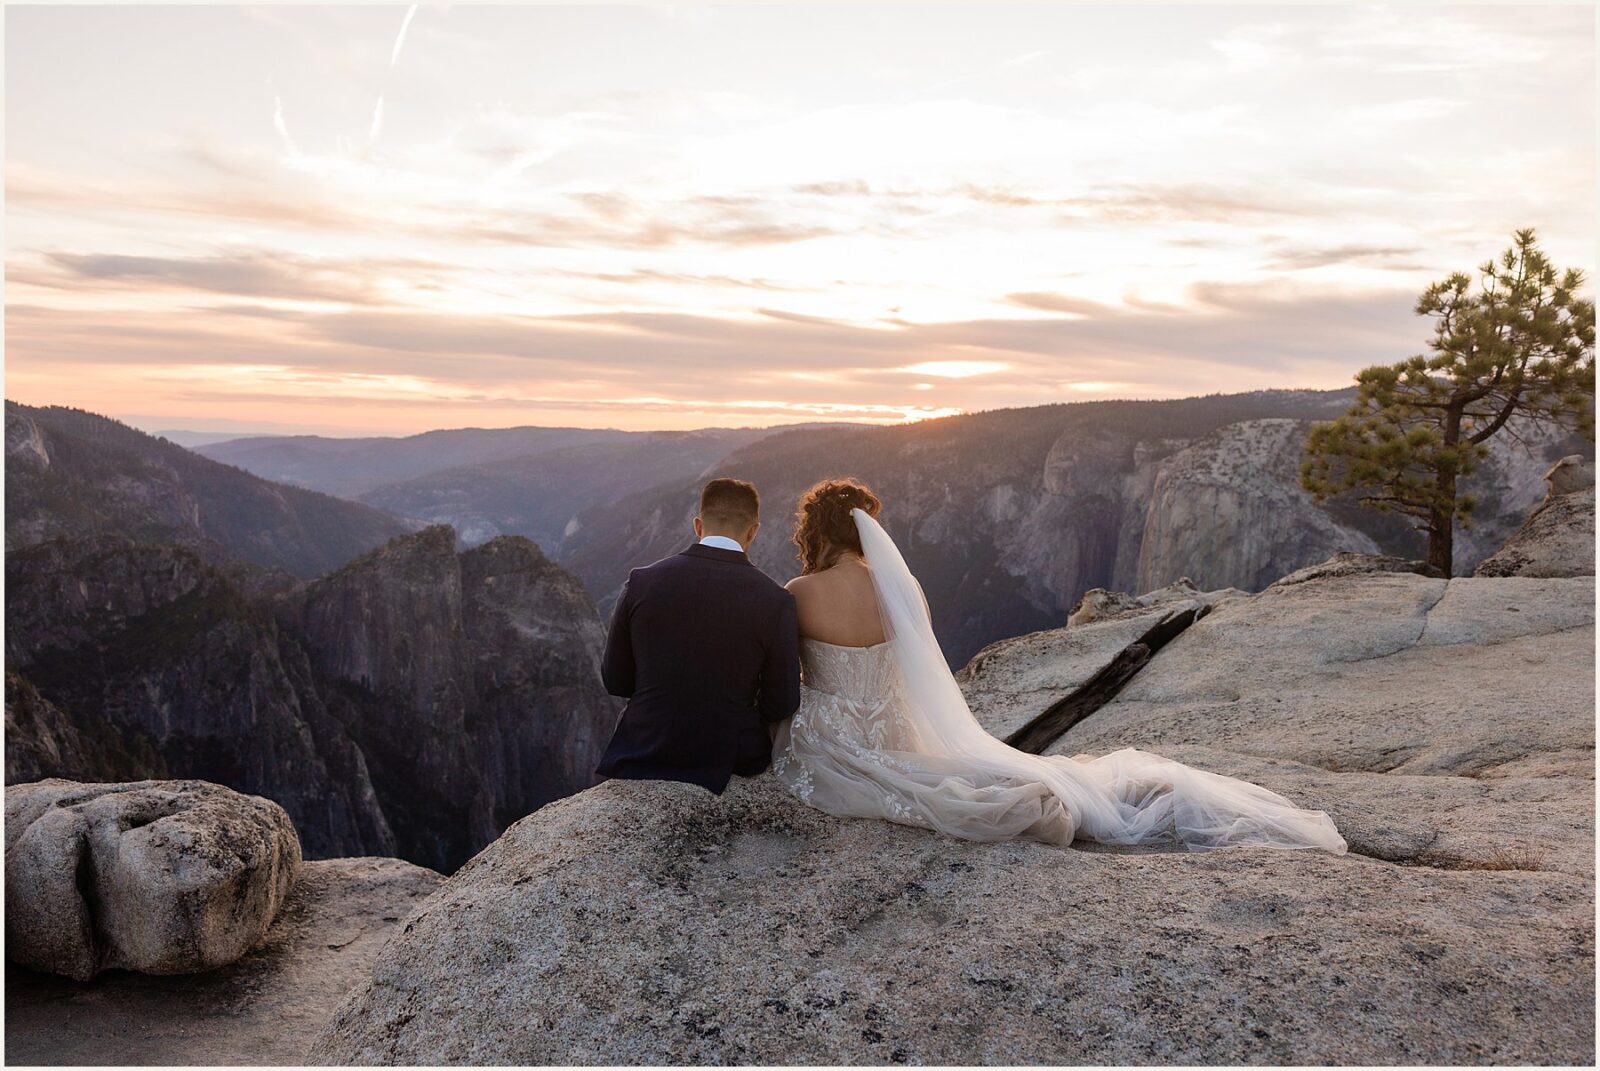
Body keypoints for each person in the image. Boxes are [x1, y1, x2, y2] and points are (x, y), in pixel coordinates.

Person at [771, 477, 1347, 853]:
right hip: (901, 730)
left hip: (837, 737)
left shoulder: (800, 591)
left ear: (815, 533)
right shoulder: (905, 590)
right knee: (960, 776)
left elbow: (785, 674)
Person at [594, 477, 801, 793]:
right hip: (731, 757)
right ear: (753, 530)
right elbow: (781, 702)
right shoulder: (776, 600)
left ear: (697, 525)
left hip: (643, 749)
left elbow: (616, 680)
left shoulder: (641, 582)